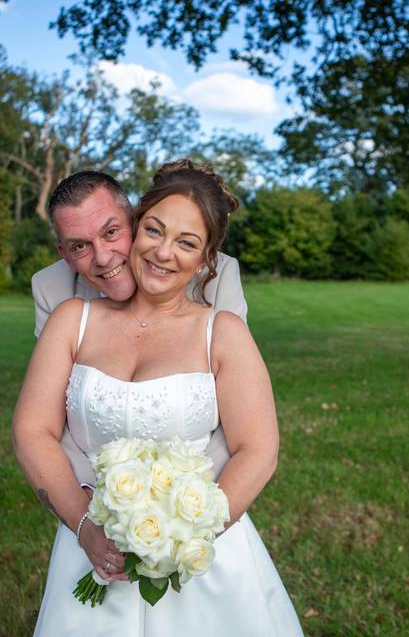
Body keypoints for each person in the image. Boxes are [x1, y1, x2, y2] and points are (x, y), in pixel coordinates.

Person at [12, 160, 303, 635]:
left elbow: (258, 447)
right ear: (139, 225)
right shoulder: (71, 317)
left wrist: (181, 536)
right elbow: (34, 429)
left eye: (187, 243)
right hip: (93, 534)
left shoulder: (221, 329)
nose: (163, 252)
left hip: (201, 546)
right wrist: (87, 524)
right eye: (154, 231)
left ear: (206, 260)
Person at [30, 171, 247, 488]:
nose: (103, 258)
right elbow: (54, 414)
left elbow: (237, 412)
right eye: (80, 246)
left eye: (112, 232)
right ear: (64, 254)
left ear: (134, 220)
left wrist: (180, 504)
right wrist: (99, 500)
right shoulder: (52, 289)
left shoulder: (214, 273)